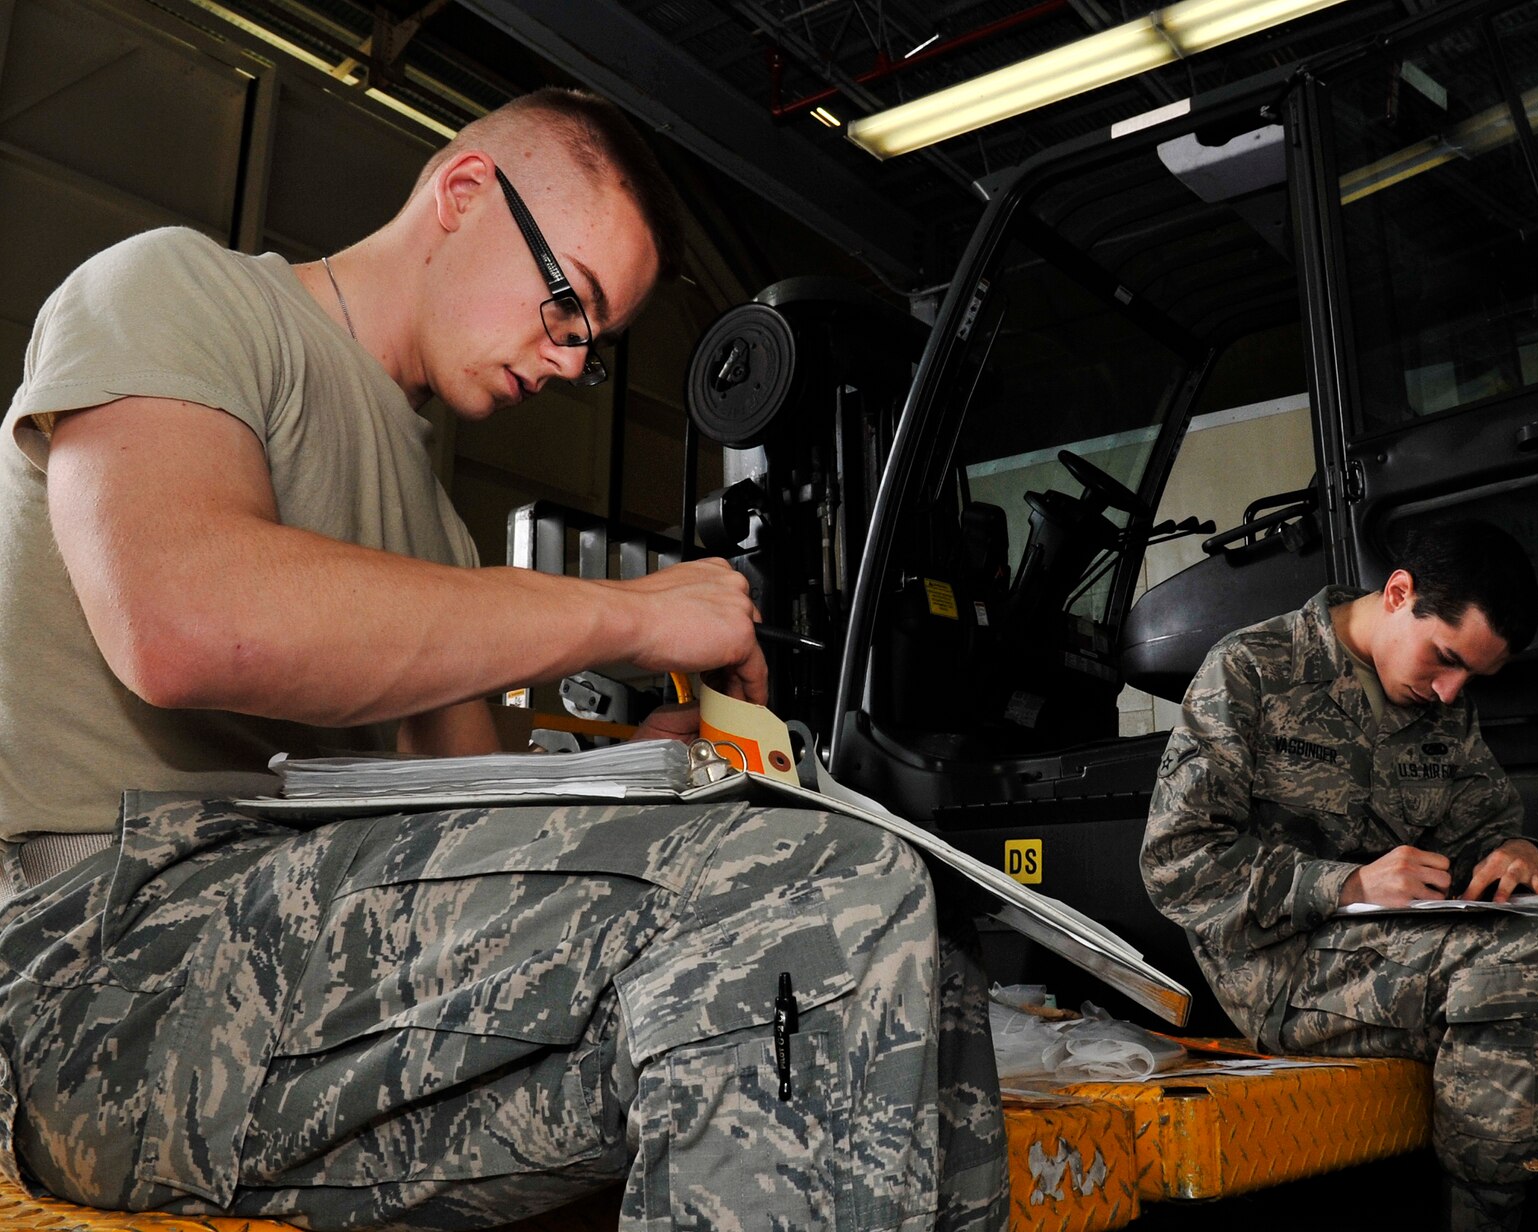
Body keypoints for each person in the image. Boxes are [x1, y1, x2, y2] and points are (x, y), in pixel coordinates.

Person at [0, 88, 1001, 1231]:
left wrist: (645, 768)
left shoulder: (429, 522)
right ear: (464, 192)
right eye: (566, 303)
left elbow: (467, 805)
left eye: (595, 340)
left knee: (908, 978)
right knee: (808, 898)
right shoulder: (181, 292)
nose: (573, 359)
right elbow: (181, 622)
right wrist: (622, 615)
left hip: (284, 986)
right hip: (108, 969)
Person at [1139, 520, 1538, 1232]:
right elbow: (1177, 864)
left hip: (1413, 946)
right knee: (1528, 963)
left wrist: (1520, 853)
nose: (1451, 694)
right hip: (1284, 970)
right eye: (1445, 660)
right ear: (1398, 594)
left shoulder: (1440, 706)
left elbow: (1484, 825)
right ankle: (1487, 1220)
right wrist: (1347, 885)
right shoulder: (1253, 669)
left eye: (1472, 679)